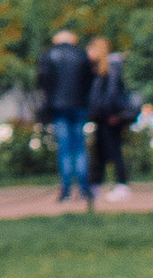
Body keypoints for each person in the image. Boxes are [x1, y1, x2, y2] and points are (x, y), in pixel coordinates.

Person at [39, 24, 93, 210]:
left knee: (64, 148)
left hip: (58, 106)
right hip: (78, 105)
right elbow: (89, 81)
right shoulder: (81, 54)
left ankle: (66, 189)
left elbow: (43, 81)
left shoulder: (49, 55)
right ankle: (85, 189)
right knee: (79, 146)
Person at [86, 35, 134, 204]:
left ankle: (121, 185)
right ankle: (96, 184)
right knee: (99, 151)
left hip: (110, 117)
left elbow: (111, 95)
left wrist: (108, 112)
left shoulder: (111, 68)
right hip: (103, 116)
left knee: (114, 150)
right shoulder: (100, 69)